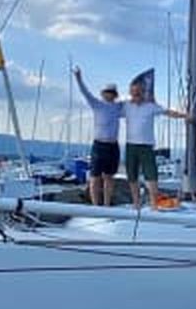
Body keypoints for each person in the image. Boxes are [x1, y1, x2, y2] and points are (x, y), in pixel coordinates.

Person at [123, 79, 189, 210]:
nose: (136, 94)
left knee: (151, 175)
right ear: (130, 92)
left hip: (146, 146)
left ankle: (154, 205)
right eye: (134, 91)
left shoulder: (150, 106)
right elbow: (109, 113)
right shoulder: (125, 106)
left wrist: (185, 116)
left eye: (139, 91)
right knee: (132, 176)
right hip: (131, 145)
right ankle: (136, 204)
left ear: (143, 92)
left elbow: (169, 112)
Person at [73, 66, 123, 206]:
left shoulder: (119, 107)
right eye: (108, 92)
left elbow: (134, 107)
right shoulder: (97, 104)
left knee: (109, 177)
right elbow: (85, 92)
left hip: (113, 146)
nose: (110, 94)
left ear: (115, 94)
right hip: (99, 145)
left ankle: (106, 205)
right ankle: (96, 206)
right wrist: (78, 78)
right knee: (94, 178)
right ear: (103, 94)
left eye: (112, 92)